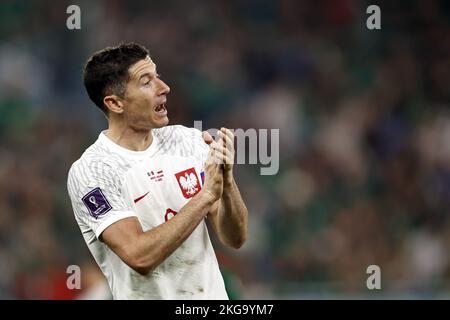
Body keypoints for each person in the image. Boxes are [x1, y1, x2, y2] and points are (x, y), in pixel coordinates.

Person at [67, 43, 248, 299]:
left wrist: (227, 184)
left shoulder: (188, 141)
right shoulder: (93, 171)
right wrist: (205, 196)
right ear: (115, 103)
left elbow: (235, 238)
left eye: (158, 76)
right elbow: (139, 256)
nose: (164, 88)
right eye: (146, 82)